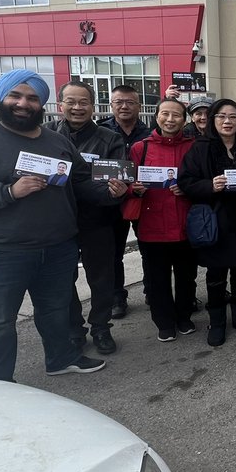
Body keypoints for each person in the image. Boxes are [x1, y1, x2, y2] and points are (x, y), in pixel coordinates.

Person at [0, 69, 117, 380]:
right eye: (16, 96)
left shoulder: (57, 142)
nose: (24, 103)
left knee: (56, 310)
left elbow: (80, 183)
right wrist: (8, 192)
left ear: (42, 104)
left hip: (56, 246)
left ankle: (61, 359)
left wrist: (110, 191)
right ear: (2, 99)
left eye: (32, 98)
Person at [177, 98, 236, 344]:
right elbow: (185, 182)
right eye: (221, 116)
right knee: (216, 277)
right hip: (217, 223)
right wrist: (210, 185)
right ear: (213, 120)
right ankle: (217, 322)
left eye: (233, 117)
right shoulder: (201, 148)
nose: (227, 121)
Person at [50, 80, 129, 356]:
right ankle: (74, 329)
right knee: (63, 279)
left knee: (101, 277)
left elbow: (118, 181)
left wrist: (118, 191)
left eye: (84, 102)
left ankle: (101, 327)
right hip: (58, 221)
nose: (77, 107)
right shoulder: (46, 136)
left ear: (93, 106)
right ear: (61, 105)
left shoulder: (111, 139)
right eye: (71, 101)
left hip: (98, 218)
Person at [128, 98, 197, 343]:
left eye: (176, 115)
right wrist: (134, 189)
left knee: (186, 276)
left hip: (185, 224)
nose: (170, 119)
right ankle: (164, 322)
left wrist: (188, 189)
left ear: (184, 119)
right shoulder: (140, 148)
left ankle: (185, 316)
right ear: (156, 117)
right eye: (165, 114)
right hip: (151, 225)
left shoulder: (193, 146)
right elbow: (127, 183)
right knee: (157, 279)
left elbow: (200, 180)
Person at [100, 83, 153, 319]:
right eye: (118, 102)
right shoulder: (101, 132)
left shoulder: (150, 132)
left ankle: (152, 290)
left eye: (130, 102)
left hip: (144, 198)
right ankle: (117, 297)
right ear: (111, 105)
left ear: (139, 106)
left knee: (149, 249)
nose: (124, 106)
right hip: (111, 200)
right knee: (113, 253)